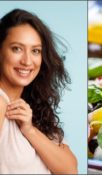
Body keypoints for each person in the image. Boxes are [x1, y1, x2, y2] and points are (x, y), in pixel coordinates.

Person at [0, 9, 78, 174]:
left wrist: (29, 130)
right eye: (17, 49)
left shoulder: (34, 109)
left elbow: (70, 170)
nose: (27, 61)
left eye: (35, 51)